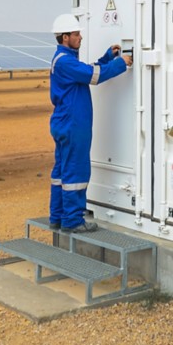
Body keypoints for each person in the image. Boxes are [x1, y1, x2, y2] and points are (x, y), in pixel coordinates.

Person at [48, 13, 131, 233]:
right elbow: (94, 76)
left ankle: (57, 216)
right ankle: (73, 221)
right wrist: (120, 64)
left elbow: (87, 71)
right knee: (76, 171)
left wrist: (106, 59)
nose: (80, 37)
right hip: (74, 124)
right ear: (65, 37)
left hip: (64, 123)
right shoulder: (66, 62)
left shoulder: (64, 60)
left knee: (61, 172)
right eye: (76, 34)